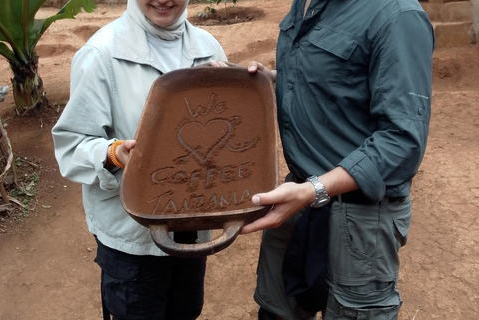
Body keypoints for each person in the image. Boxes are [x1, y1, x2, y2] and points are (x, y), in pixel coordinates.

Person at [236, 0, 435, 319]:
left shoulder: (397, 15)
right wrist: (270, 78)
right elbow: (337, 80)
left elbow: (403, 140)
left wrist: (314, 190)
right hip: (298, 199)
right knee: (275, 311)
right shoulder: (305, 3)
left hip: (360, 219)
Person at [51, 0, 227, 319]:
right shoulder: (100, 54)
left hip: (191, 229)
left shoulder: (210, 48)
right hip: (132, 241)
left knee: (185, 310)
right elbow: (71, 145)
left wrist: (240, 93)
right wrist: (114, 154)